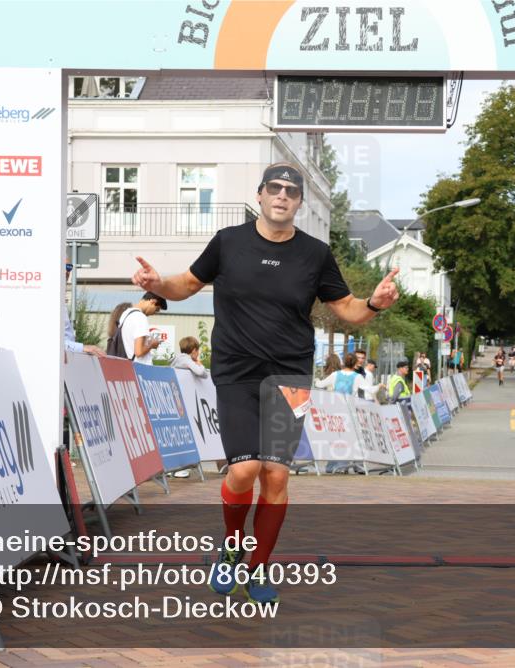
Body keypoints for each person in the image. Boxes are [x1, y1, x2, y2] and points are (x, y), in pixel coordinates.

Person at [132, 162, 399, 604]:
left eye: (291, 191)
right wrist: (158, 282)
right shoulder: (229, 242)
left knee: (275, 475)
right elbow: (188, 283)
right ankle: (232, 547)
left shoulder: (315, 254)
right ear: (259, 194)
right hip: (237, 372)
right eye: (274, 188)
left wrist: (374, 302)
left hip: (289, 375)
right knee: (244, 469)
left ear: (299, 202)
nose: (282, 196)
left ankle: (258, 568)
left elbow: (347, 308)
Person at [107, 292, 166, 363]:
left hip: (127, 362)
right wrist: (152, 345)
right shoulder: (140, 317)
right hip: (139, 366)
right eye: (156, 309)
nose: (154, 313)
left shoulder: (126, 314)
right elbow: (139, 352)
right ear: (153, 301)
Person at [63, 262, 106, 357]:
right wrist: (82, 348)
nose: (66, 271)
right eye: (61, 266)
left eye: (69, 267)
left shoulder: (61, 302)